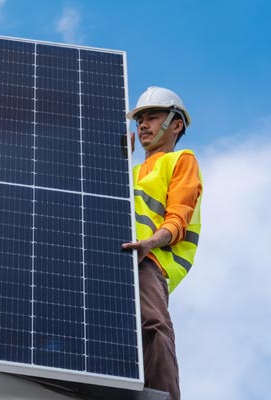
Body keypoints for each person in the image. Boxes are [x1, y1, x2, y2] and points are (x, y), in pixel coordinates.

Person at [121, 86, 203, 399]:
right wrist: (113, 163)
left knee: (152, 324)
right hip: (115, 254)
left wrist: (150, 244)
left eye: (152, 118)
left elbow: (178, 218)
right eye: (139, 119)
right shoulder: (131, 170)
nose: (142, 125)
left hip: (149, 261)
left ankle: (163, 394)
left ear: (176, 124)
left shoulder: (181, 160)